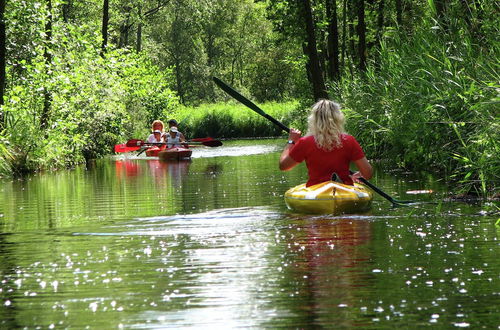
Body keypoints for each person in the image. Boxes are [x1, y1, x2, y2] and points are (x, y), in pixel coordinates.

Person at [279, 99, 372, 187]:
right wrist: (359, 174)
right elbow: (367, 173)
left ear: (313, 119)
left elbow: (284, 166)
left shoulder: (305, 142)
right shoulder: (349, 140)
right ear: (338, 118)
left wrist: (291, 141)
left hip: (316, 191)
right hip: (344, 188)